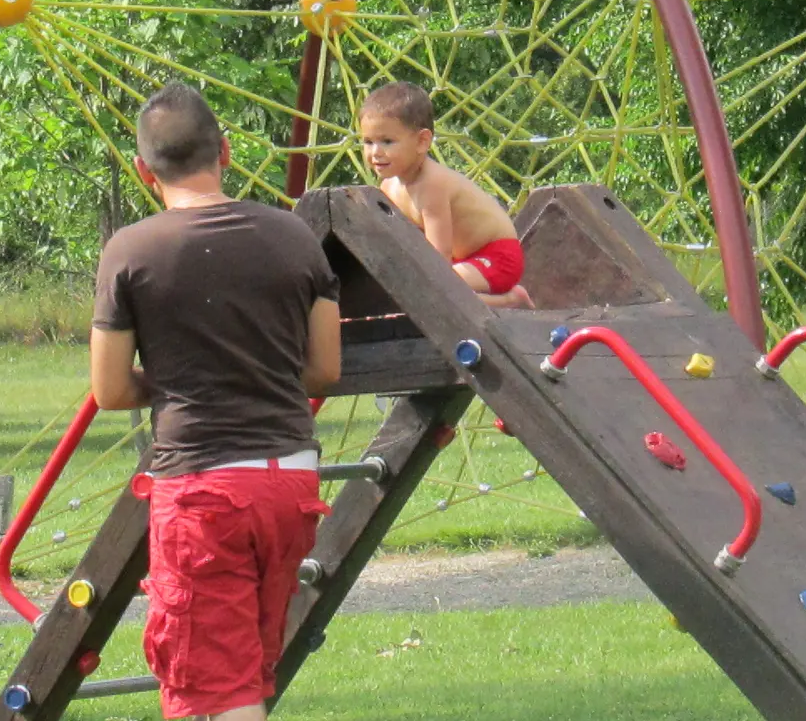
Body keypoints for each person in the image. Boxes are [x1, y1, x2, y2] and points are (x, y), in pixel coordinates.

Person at [90, 82, 342, 721]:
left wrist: (176, 382)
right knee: (245, 675)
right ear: (225, 151)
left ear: (146, 172)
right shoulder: (295, 238)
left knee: (214, 691)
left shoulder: (131, 252)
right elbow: (324, 370)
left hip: (204, 492)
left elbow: (111, 389)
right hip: (289, 481)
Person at [358, 81, 533, 307]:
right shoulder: (389, 187)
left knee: (439, 291)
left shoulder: (431, 185)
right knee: (415, 289)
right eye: (368, 142)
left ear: (422, 141)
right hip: (462, 261)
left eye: (387, 141)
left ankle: (511, 300)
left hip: (497, 257)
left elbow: (438, 260)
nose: (375, 152)